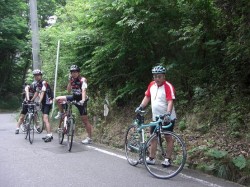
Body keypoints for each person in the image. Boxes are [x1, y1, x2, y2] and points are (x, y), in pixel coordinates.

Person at [135, 65, 177, 167]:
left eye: (159, 76)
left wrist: (167, 113)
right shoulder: (151, 85)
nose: (157, 79)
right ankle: (151, 158)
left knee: (168, 137)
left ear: (164, 76)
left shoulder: (168, 86)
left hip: (167, 117)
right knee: (153, 136)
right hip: (156, 117)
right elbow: (147, 97)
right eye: (155, 76)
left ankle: (167, 159)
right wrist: (141, 106)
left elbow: (170, 101)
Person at [55, 65, 93, 144]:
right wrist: (69, 81)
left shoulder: (83, 80)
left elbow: (83, 90)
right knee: (58, 99)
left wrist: (82, 100)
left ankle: (89, 138)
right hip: (74, 97)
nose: (74, 74)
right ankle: (61, 112)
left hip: (82, 100)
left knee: (85, 120)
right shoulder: (71, 79)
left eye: (75, 72)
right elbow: (68, 91)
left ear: (78, 72)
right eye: (72, 72)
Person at [31, 69, 54, 142]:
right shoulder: (38, 83)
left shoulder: (44, 82)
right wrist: (31, 100)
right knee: (45, 119)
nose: (37, 77)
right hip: (44, 103)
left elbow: (43, 92)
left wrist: (39, 101)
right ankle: (50, 134)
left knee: (45, 119)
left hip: (48, 102)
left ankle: (49, 135)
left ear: (41, 75)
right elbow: (37, 92)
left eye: (38, 75)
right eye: (35, 76)